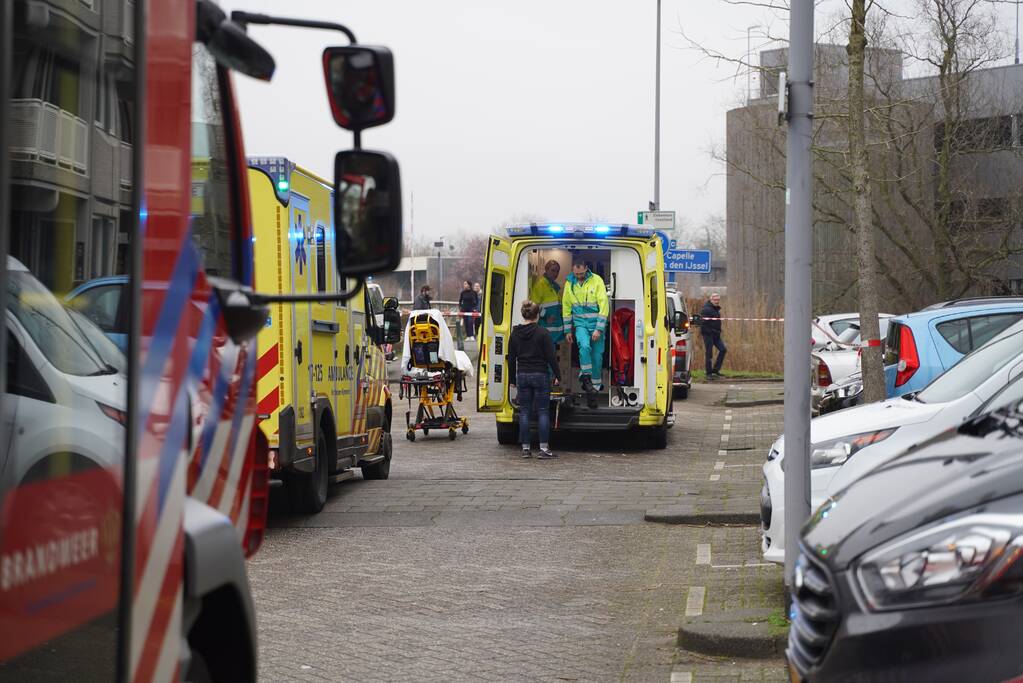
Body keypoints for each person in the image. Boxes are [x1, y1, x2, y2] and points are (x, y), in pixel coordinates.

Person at [508, 300, 560, 459]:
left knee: (524, 412)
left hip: (522, 375)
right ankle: (543, 449)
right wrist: (558, 375)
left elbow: (511, 359)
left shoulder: (515, 333)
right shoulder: (543, 333)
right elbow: (551, 357)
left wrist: (512, 380)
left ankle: (525, 449)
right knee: (543, 412)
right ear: (537, 315)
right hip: (540, 374)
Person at [562, 254, 609, 400]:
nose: (579, 276)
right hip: (580, 324)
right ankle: (586, 378)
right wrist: (567, 330)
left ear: (586, 269)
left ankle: (595, 388)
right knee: (584, 346)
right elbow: (566, 307)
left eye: (581, 274)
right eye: (576, 274)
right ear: (572, 271)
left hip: (596, 324)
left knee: (597, 357)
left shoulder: (597, 280)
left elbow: (604, 305)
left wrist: (598, 329)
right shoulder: (569, 283)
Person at [528, 260, 565, 345]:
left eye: (557, 271)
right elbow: (533, 306)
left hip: (555, 332)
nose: (555, 273)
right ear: (546, 270)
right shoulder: (540, 285)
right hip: (546, 329)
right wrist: (546, 317)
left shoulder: (555, 287)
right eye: (552, 270)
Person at [700, 292, 727, 379]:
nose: (717, 301)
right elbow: (703, 324)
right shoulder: (706, 309)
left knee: (723, 349)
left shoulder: (715, 309)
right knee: (709, 353)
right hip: (708, 335)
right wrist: (710, 331)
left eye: (718, 300)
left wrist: (718, 331)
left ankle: (715, 370)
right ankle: (708, 373)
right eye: (715, 300)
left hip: (716, 335)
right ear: (711, 300)